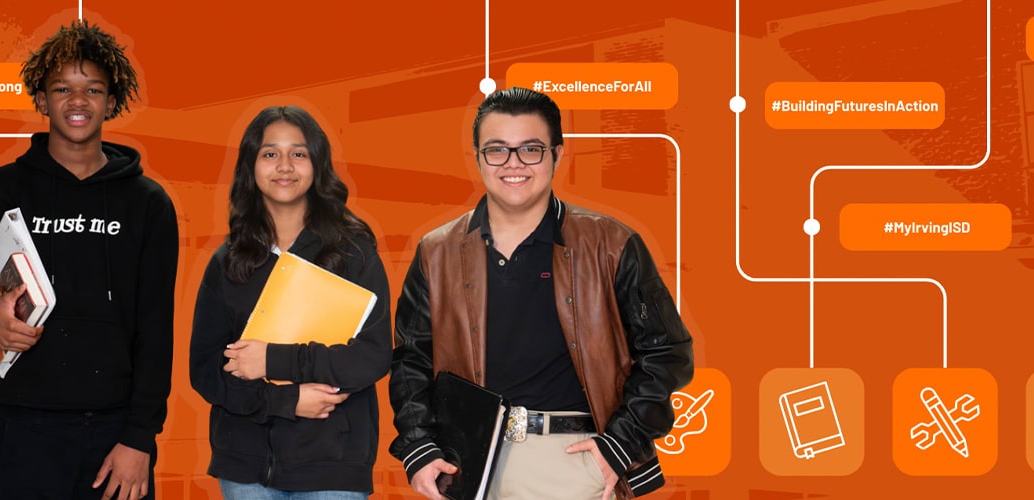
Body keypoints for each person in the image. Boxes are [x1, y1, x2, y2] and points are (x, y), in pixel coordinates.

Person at [388, 87, 693, 500]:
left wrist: (619, 445)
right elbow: (411, 361)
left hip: (574, 461)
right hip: (468, 466)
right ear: (478, 157)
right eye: (497, 150)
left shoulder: (611, 243)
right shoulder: (436, 251)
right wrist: (419, 448)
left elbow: (667, 352)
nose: (513, 164)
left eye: (530, 149)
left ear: (556, 154)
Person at [0, 20, 178, 500]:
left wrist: (139, 438)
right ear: (42, 101)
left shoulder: (148, 204)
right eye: (62, 88)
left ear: (111, 102)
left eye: (93, 89)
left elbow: (156, 328)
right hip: (26, 429)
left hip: (116, 431)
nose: (77, 101)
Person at [189, 106, 392, 499]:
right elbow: (205, 370)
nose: (284, 166)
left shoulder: (353, 254)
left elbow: (371, 357)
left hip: (333, 467)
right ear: (251, 166)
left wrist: (272, 360)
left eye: (298, 153)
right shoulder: (227, 261)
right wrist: (286, 400)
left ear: (317, 163)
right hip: (245, 468)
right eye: (270, 153)